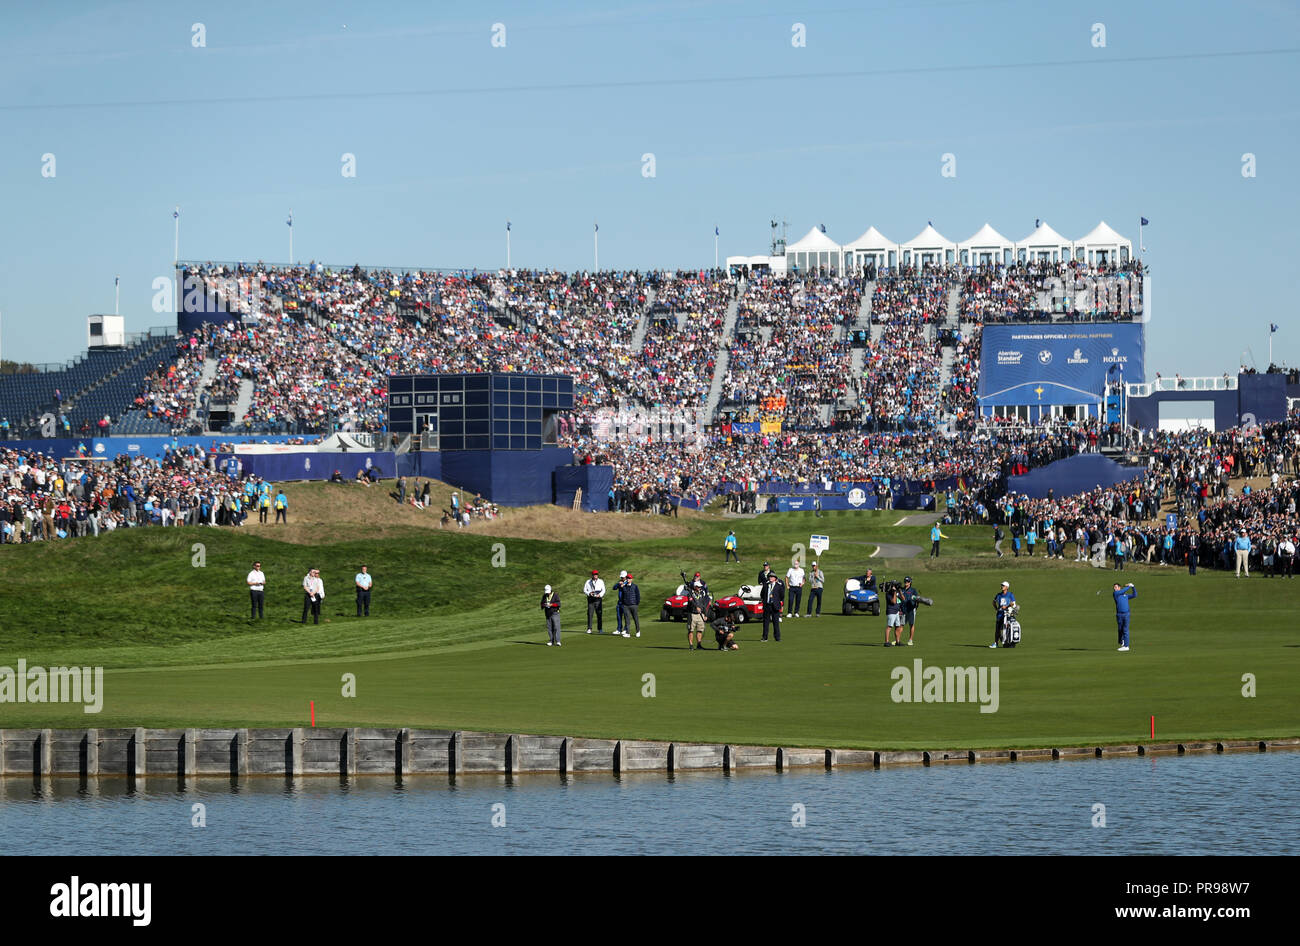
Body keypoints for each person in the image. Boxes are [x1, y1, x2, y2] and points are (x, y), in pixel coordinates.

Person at [686, 579, 711, 651]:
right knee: (691, 630)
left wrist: (705, 614)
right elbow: (691, 602)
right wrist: (696, 607)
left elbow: (703, 605)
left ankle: (699, 645)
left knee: (700, 630)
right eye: (698, 587)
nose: (700, 588)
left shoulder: (701, 594)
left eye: (700, 587)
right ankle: (691, 645)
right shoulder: (690, 594)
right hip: (692, 614)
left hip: (700, 614)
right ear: (695, 587)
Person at [761, 572, 784, 642]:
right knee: (766, 623)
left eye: (772, 577)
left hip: (775, 606)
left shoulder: (778, 586)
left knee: (776, 623)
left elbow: (782, 596)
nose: (770, 578)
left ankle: (777, 637)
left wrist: (776, 601)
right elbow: (762, 594)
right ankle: (765, 637)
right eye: (769, 577)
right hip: (767, 605)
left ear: (775, 579)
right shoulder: (766, 585)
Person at [991, 580, 1015, 648]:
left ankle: (1008, 642)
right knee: (997, 630)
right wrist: (996, 609)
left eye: (1003, 585)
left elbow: (1013, 603)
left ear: (1007, 587)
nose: (1002, 586)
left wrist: (1006, 606)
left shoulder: (1010, 594)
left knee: (1007, 629)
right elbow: (993, 602)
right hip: (999, 614)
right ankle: (996, 643)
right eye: (1002, 585)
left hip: (1007, 614)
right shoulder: (999, 594)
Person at [1113, 582, 1136, 652]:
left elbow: (1135, 595)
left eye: (1116, 587)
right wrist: (1129, 586)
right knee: (1120, 629)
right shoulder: (1116, 594)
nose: (1114, 588)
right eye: (1114, 587)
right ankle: (1121, 641)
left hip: (1126, 614)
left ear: (1119, 587)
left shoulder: (1125, 595)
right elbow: (1123, 591)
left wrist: (1133, 587)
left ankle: (1126, 646)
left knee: (1125, 630)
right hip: (1119, 615)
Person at [584, 568, 606, 634]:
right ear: (592, 575)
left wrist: (600, 595)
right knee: (590, 614)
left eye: (596, 574)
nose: (595, 575)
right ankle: (589, 628)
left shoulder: (601, 581)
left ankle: (600, 629)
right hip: (591, 599)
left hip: (598, 599)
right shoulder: (588, 581)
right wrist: (589, 593)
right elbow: (584, 590)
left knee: (599, 614)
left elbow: (604, 590)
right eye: (594, 574)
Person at [883, 580, 905, 646]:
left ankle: (897, 641)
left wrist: (900, 591)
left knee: (897, 627)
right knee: (889, 627)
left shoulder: (898, 592)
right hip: (891, 612)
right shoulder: (888, 593)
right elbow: (894, 601)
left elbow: (903, 599)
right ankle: (886, 642)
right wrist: (895, 592)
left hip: (897, 612)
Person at [620, 572, 641, 638]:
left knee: (635, 618)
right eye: (627, 578)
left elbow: (638, 596)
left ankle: (638, 631)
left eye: (629, 578)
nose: (628, 579)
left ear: (631, 579)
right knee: (627, 620)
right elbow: (622, 595)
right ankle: (628, 633)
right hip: (626, 605)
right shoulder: (624, 586)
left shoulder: (635, 586)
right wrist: (622, 586)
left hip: (633, 605)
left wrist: (636, 603)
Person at [614, 570, 628, 635]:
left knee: (626, 616)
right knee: (619, 616)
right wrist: (618, 584)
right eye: (621, 577)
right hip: (619, 602)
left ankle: (625, 629)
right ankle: (619, 629)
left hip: (625, 602)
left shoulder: (628, 583)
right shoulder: (620, 583)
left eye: (623, 577)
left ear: (626, 577)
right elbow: (614, 588)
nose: (622, 578)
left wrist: (624, 585)